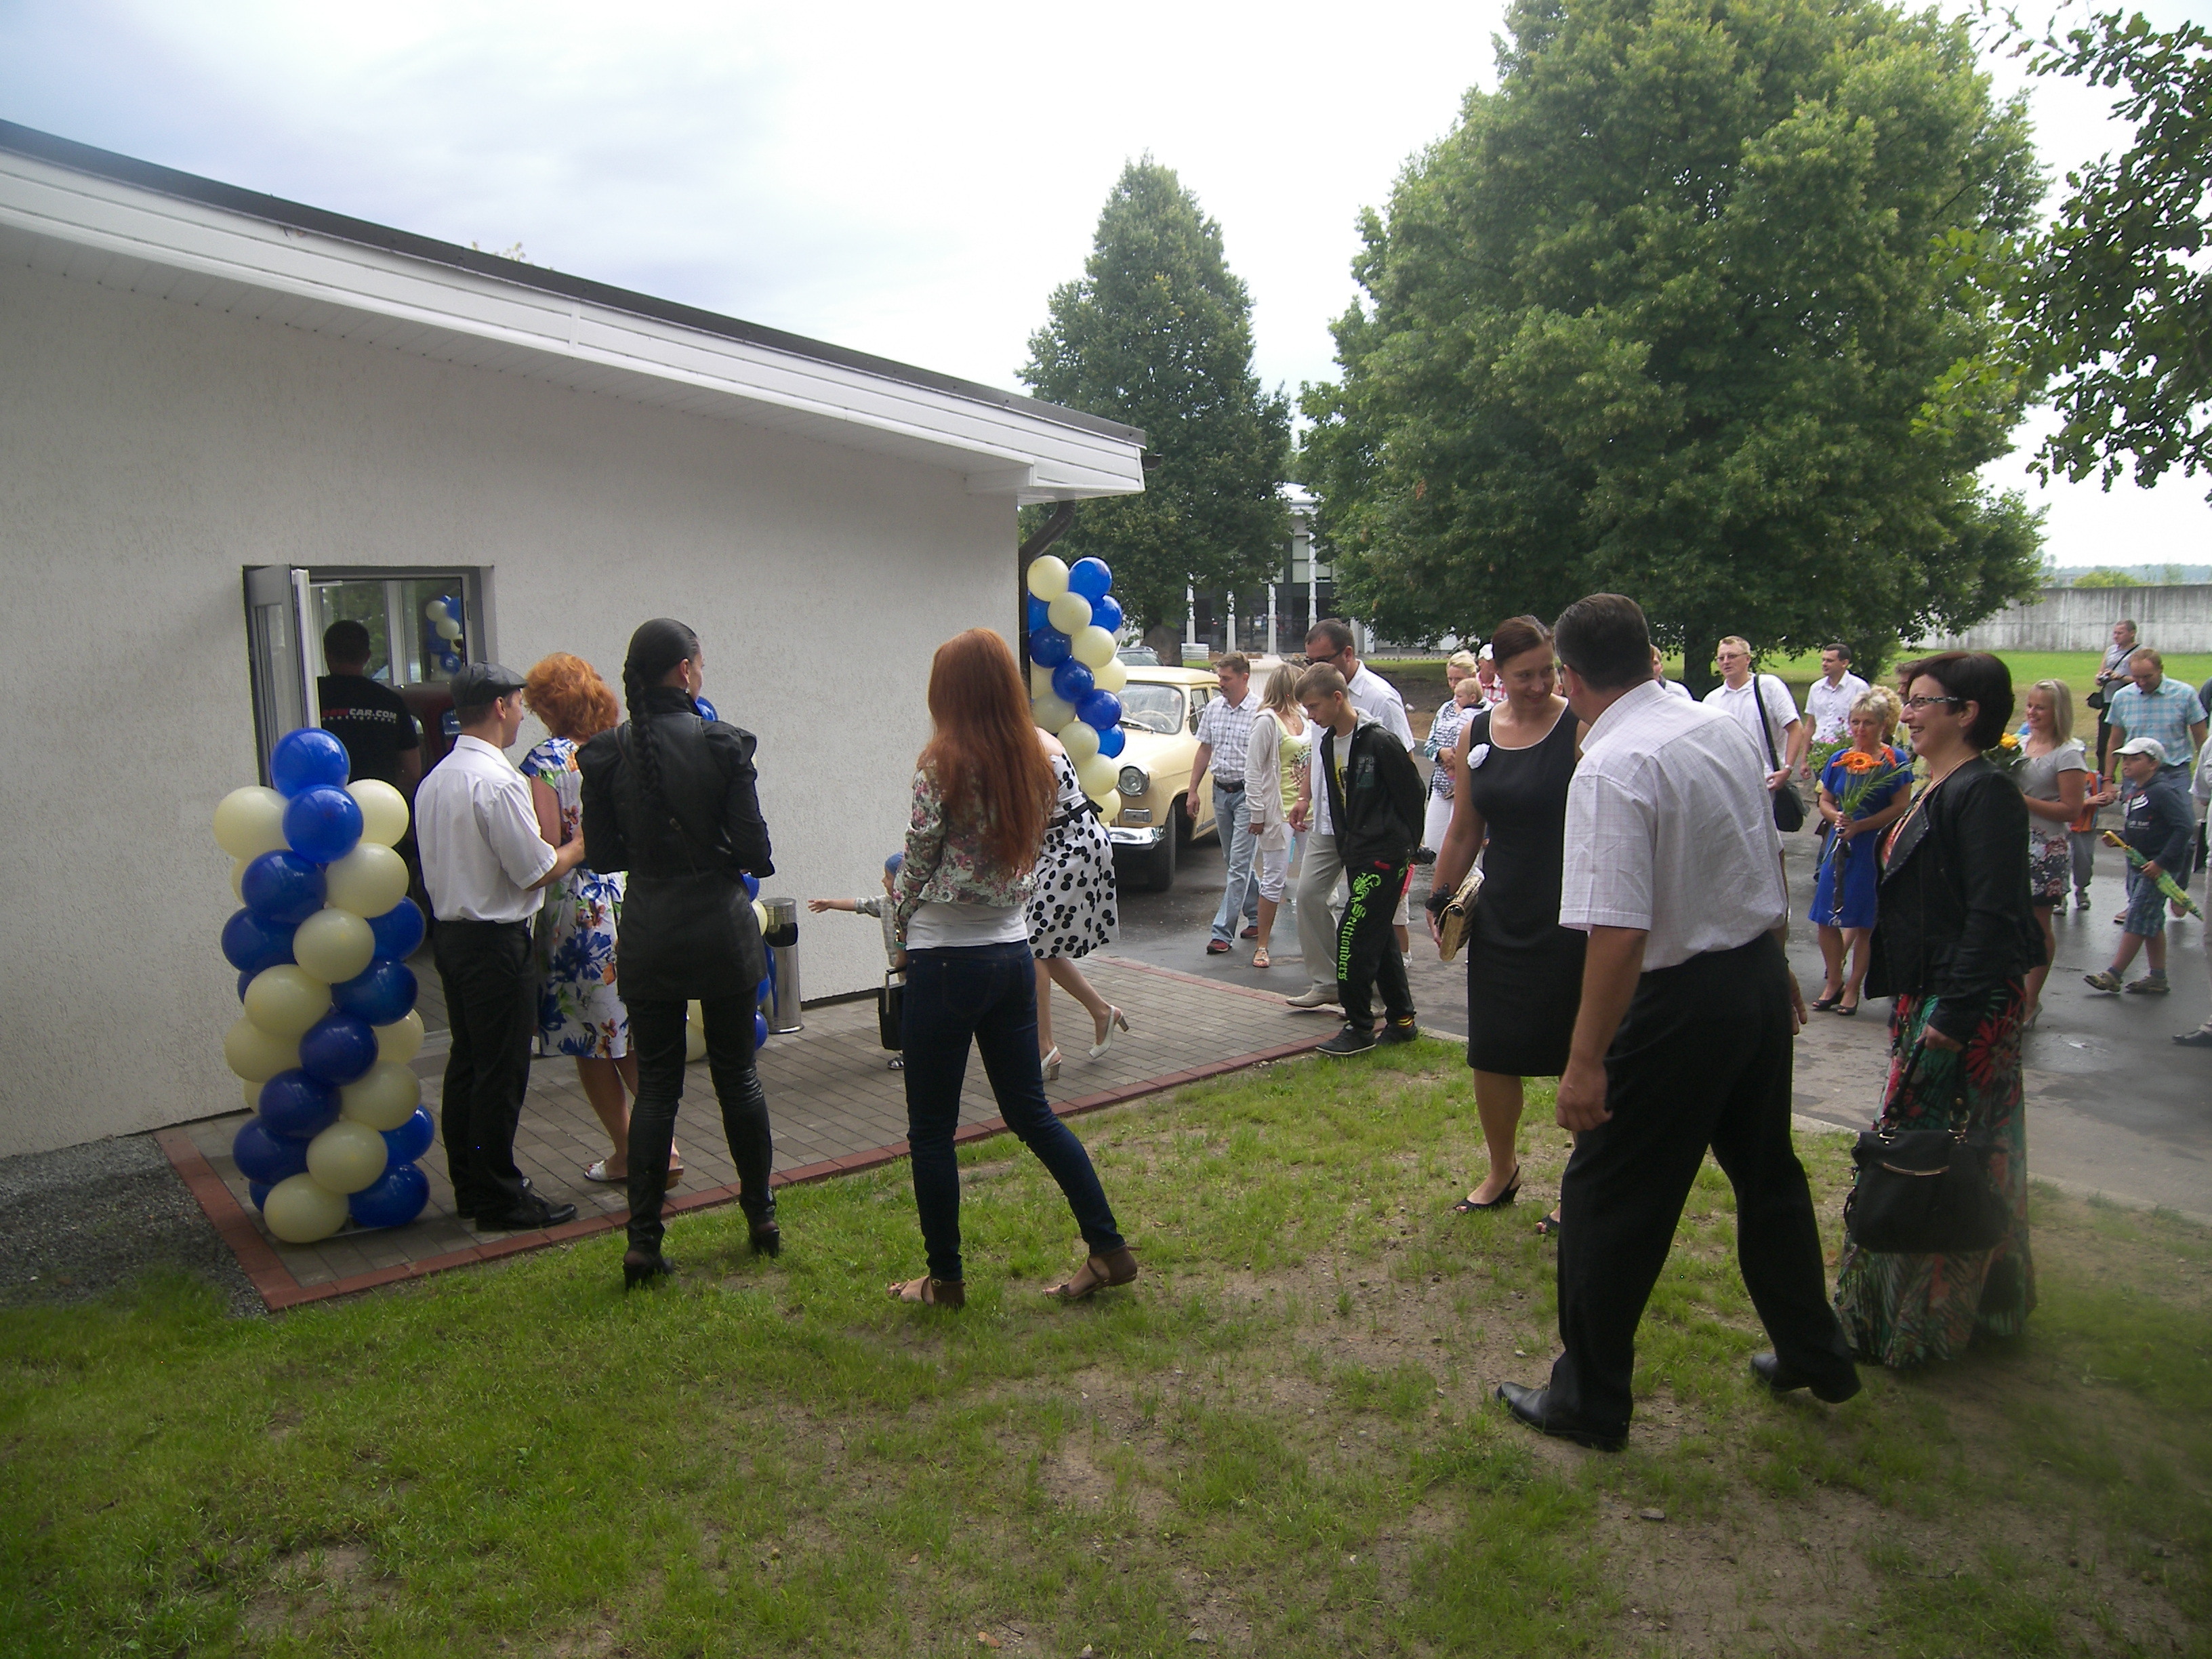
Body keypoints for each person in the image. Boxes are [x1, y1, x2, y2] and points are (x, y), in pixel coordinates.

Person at [1496, 594, 1858, 1451]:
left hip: (1679, 1000)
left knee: (1605, 1195)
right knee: (1768, 1173)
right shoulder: (1714, 726)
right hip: (1749, 977)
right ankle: (1815, 1349)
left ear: (1572, 675)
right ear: (1649, 652)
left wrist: (1586, 1061)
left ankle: (1588, 1401)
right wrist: (1771, 956)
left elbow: (1619, 931)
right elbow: (1755, 849)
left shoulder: (1613, 763)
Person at [886, 628, 1136, 1309]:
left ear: (950, 691)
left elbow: (918, 857)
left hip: (944, 960)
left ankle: (945, 1280)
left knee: (931, 1131)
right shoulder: (1039, 758)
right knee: (1032, 1113)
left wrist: (899, 921)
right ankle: (1108, 1247)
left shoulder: (940, 764)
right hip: (1011, 955)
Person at [1837, 650, 2043, 1368]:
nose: (1910, 713)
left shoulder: (1985, 793)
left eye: (1923, 701)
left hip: (1964, 1008)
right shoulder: (1937, 785)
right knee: (1923, 1149)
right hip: (1933, 995)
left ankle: (1926, 1323)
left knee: (1941, 1157)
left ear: (1967, 713)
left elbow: (1992, 914)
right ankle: (1894, 1314)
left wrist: (1952, 1018)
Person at [579, 619, 781, 1290]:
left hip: (650, 931)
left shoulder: (607, 752)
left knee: (659, 1087)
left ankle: (643, 1240)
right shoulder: (723, 743)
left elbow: (604, 856)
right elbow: (756, 853)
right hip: (721, 929)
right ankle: (761, 1217)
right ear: (686, 670)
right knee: (738, 1078)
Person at [1425, 615, 1586, 1220]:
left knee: (1577, 1047)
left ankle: (1582, 1183)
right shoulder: (1477, 730)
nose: (1540, 685)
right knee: (1492, 1050)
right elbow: (1465, 827)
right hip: (1502, 911)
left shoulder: (1580, 726)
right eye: (1525, 676)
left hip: (1572, 911)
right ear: (1498, 674)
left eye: (1548, 671)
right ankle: (1502, 1170)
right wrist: (1440, 896)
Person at [415, 662, 586, 1233]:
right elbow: (536, 869)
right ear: (499, 707)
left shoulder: (437, 778)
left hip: (452, 938)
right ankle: (500, 1196)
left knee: (468, 1064)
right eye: (517, 705)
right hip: (494, 943)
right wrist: (580, 845)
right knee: (500, 1073)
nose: (519, 716)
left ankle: (471, 1183)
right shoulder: (498, 781)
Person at [520, 653, 655, 1186]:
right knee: (629, 1029)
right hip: (628, 894)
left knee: (590, 1038)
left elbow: (548, 847)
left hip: (579, 909)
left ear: (551, 706)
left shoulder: (545, 761)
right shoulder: (622, 747)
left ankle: (631, 1151)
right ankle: (661, 1140)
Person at [1288, 619, 1416, 1008]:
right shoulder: (1317, 699)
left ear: (1347, 654)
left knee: (1369, 915)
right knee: (1309, 896)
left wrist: (1406, 838)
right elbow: (1319, 751)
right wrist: (1305, 796)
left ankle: (1372, 996)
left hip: (1374, 831)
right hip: (1331, 821)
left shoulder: (1380, 697)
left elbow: (1405, 768)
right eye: (1308, 661)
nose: (1313, 669)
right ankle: (1330, 981)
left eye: (1322, 660)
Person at [1300, 663, 1424, 1057]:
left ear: (1338, 698)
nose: (1310, 716)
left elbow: (1412, 793)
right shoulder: (1327, 743)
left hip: (1386, 855)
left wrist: (1409, 846)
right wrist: (1347, 844)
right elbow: (1341, 801)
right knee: (1379, 936)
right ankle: (1402, 1021)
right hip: (1356, 852)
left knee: (1351, 935)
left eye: (1314, 706)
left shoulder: (1379, 741)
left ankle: (1359, 1026)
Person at [1809, 690, 1912, 1018]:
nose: (1860, 729)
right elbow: (1825, 800)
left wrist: (1863, 825)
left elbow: (1901, 805)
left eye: (1868, 723)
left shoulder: (1894, 761)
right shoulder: (1840, 759)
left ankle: (1854, 987)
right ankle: (1834, 980)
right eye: (1855, 722)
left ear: (1883, 725)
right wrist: (1836, 817)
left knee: (1864, 920)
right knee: (1826, 917)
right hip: (1839, 844)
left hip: (1871, 846)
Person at [1031, 728, 1126, 1077]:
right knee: (1043, 946)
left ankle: (1045, 1047)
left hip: (1071, 849)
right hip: (1069, 844)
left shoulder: (1029, 747)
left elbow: (1028, 817)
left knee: (1030, 946)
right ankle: (1102, 1012)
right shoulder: (1032, 736)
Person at [2083, 737, 2196, 997]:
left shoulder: (2162, 791)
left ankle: (2114, 974)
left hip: (2156, 868)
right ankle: (2158, 977)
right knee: (2151, 920)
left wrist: (2161, 862)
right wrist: (2122, 838)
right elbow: (2141, 826)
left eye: (2135, 759)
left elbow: (2183, 827)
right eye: (2125, 759)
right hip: (2139, 864)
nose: (2127, 764)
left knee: (2137, 916)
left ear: (2153, 764)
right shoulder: (2135, 791)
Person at [2016, 680, 2090, 1024]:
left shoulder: (2068, 753)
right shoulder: (2018, 745)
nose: (2032, 713)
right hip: (2011, 844)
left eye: (2041, 707)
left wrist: (2022, 801)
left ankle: (2031, 1000)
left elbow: (2071, 810)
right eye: (2030, 705)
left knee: (2037, 923)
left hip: (2045, 849)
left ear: (2057, 712)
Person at [1189, 653, 1261, 954]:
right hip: (1221, 792)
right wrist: (1193, 790)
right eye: (1220, 677)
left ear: (1244, 678)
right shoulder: (1214, 709)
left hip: (1249, 795)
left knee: (1239, 864)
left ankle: (1222, 932)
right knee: (1234, 861)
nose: (1221, 684)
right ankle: (1258, 915)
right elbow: (1205, 749)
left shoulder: (1260, 711)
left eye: (1226, 678)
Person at [808, 854, 905, 1068]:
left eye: (888, 877)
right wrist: (830, 904)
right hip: (901, 968)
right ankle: (908, 1051)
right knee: (904, 1010)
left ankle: (918, 1051)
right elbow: (860, 904)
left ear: (901, 880)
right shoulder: (885, 904)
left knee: (915, 1010)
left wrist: (903, 958)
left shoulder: (912, 906)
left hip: (916, 966)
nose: (883, 881)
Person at [1244, 661, 1310, 970]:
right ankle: (1262, 945)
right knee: (1274, 879)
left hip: (1308, 811)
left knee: (1316, 880)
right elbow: (1253, 771)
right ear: (1289, 690)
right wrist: (1258, 813)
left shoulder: (1305, 717)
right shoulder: (1266, 721)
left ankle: (1318, 944)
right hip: (1278, 813)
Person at [318, 619, 423, 794]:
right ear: (367, 657)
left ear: (327, 654)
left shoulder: (312, 697)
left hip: (326, 802)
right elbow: (413, 770)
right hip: (379, 801)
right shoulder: (390, 701)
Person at [1703, 636, 1807, 800]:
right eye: (1721, 658)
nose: (1726, 662)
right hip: (1729, 785)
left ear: (1747, 659)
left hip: (1768, 781)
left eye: (1732, 656)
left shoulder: (1768, 686)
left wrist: (1787, 769)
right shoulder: (1712, 700)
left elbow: (1795, 727)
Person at [1419, 652, 1482, 858]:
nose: (1454, 685)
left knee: (1465, 853)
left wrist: (1462, 759)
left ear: (1472, 677)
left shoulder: (1486, 710)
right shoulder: (1445, 709)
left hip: (1469, 788)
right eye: (1450, 679)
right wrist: (1441, 752)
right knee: (1434, 847)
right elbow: (1429, 745)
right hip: (1441, 785)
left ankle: (1474, 880)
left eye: (1459, 679)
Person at [2091, 619, 2139, 769]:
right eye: (2115, 633)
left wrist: (2121, 677)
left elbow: (2141, 679)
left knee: (2128, 743)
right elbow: (2101, 671)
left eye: (2120, 633)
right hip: (2109, 701)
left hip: (2130, 702)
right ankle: (2104, 775)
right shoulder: (2111, 650)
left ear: (2132, 633)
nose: (2116, 636)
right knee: (2103, 744)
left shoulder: (2140, 652)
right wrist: (2101, 678)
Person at [1804, 643, 1872, 747]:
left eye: (1829, 661)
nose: (1824, 664)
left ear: (1844, 663)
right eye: (1823, 660)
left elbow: (1868, 723)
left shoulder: (1859, 687)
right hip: (1818, 747)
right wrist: (1804, 756)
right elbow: (1810, 724)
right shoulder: (1816, 688)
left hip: (1847, 747)